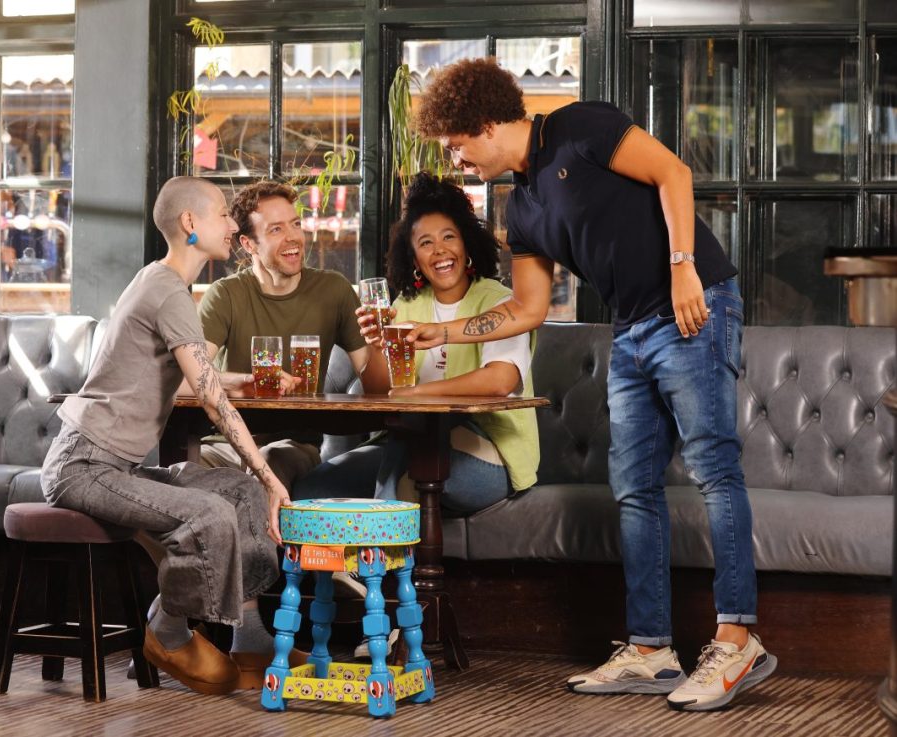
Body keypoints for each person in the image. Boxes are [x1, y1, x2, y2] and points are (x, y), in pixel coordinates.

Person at [406, 57, 776, 712]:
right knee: (632, 487)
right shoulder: (519, 206)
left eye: (455, 143)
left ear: (484, 123)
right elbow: (525, 308)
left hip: (693, 306)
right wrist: (448, 333)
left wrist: (684, 267)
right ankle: (650, 647)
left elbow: (673, 172)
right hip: (630, 330)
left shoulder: (577, 127)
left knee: (714, 469)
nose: (454, 158)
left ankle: (736, 636)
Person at [40, 176, 305, 696]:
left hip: (117, 466)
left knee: (237, 491)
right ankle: (166, 630)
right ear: (190, 224)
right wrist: (271, 475)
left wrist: (235, 379)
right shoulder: (168, 292)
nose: (233, 224)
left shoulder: (162, 282)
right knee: (210, 512)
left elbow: (190, 374)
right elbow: (208, 400)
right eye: (224, 214)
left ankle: (248, 639)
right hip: (82, 466)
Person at [294, 172, 539, 516]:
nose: (439, 250)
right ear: (413, 257)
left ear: (466, 243)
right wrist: (376, 345)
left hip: (489, 454)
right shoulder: (407, 306)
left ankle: (378, 560)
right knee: (313, 489)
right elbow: (382, 390)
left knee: (416, 444)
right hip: (409, 444)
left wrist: (419, 396)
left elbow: (501, 381)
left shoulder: (500, 303)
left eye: (449, 237)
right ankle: (325, 570)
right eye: (425, 243)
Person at [196, 181, 369, 487]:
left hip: (291, 445)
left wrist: (381, 339)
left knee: (271, 461)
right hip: (226, 442)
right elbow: (192, 374)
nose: (293, 237)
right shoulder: (226, 295)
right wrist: (242, 383)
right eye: (275, 229)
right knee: (183, 470)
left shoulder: (333, 290)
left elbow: (372, 378)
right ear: (248, 244)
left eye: (296, 224)